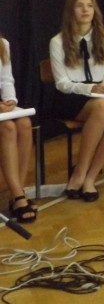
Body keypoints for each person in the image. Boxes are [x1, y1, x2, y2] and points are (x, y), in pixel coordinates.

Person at [49, 0, 104, 202]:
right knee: (102, 106)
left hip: (100, 95)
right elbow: (62, 83)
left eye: (90, 6)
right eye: (80, 6)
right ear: (70, 11)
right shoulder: (58, 42)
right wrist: (90, 89)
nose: (85, 10)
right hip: (70, 96)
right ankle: (79, 172)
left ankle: (90, 178)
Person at [0, 34, 36, 223]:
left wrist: (10, 101)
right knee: (7, 127)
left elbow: (6, 81)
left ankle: (17, 193)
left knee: (24, 123)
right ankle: (18, 195)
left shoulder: (2, 44)